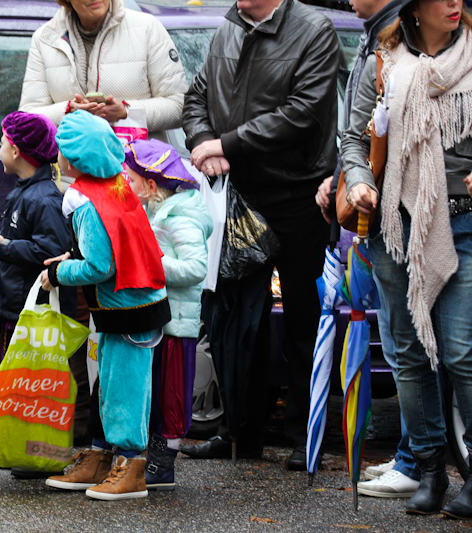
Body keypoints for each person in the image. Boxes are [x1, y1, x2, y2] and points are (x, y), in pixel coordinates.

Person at [181, 0, 341, 470]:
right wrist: (202, 144)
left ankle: (303, 437)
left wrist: (225, 144)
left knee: (303, 323)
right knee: (235, 320)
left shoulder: (314, 29)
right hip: (238, 193)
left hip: (299, 195)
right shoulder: (227, 28)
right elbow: (196, 99)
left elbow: (303, 113)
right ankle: (238, 433)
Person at [341, 0, 472, 517]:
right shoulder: (383, 57)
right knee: (410, 356)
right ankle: (431, 470)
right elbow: (353, 140)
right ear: (415, 6)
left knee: (461, 351)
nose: (453, 2)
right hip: (394, 227)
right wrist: (357, 181)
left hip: (462, 223)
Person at [317, 0, 421, 500]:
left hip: (414, 214)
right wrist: (343, 177)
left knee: (419, 346)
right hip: (377, 211)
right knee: (403, 342)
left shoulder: (411, 39)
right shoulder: (371, 37)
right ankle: (413, 455)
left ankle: (419, 460)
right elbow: (357, 136)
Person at [40, 110, 171, 501]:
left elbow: (99, 265)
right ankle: (101, 456)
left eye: (61, 150)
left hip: (128, 310)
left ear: (73, 160)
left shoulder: (84, 201)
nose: (57, 156)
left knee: (125, 389)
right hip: (130, 303)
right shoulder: (112, 184)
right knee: (109, 385)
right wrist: (69, 258)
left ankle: (131, 468)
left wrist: (60, 274)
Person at [124, 139, 212, 491]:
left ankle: (163, 462)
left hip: (177, 324)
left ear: (150, 185)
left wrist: (153, 265)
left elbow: (195, 268)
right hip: (161, 319)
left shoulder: (181, 217)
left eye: (131, 181)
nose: (127, 187)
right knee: (156, 389)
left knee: (171, 393)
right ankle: (153, 455)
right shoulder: (158, 210)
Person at [19, 0, 187, 173]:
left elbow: (180, 106)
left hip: (139, 186)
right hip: (72, 188)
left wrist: (127, 113)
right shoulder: (45, 38)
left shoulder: (147, 28)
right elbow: (26, 118)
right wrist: (69, 112)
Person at [0, 111, 73, 354]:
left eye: (2, 143)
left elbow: (51, 251)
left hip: (34, 314)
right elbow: (20, 235)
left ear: (16, 152)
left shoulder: (44, 199)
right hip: (18, 308)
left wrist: (5, 248)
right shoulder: (26, 192)